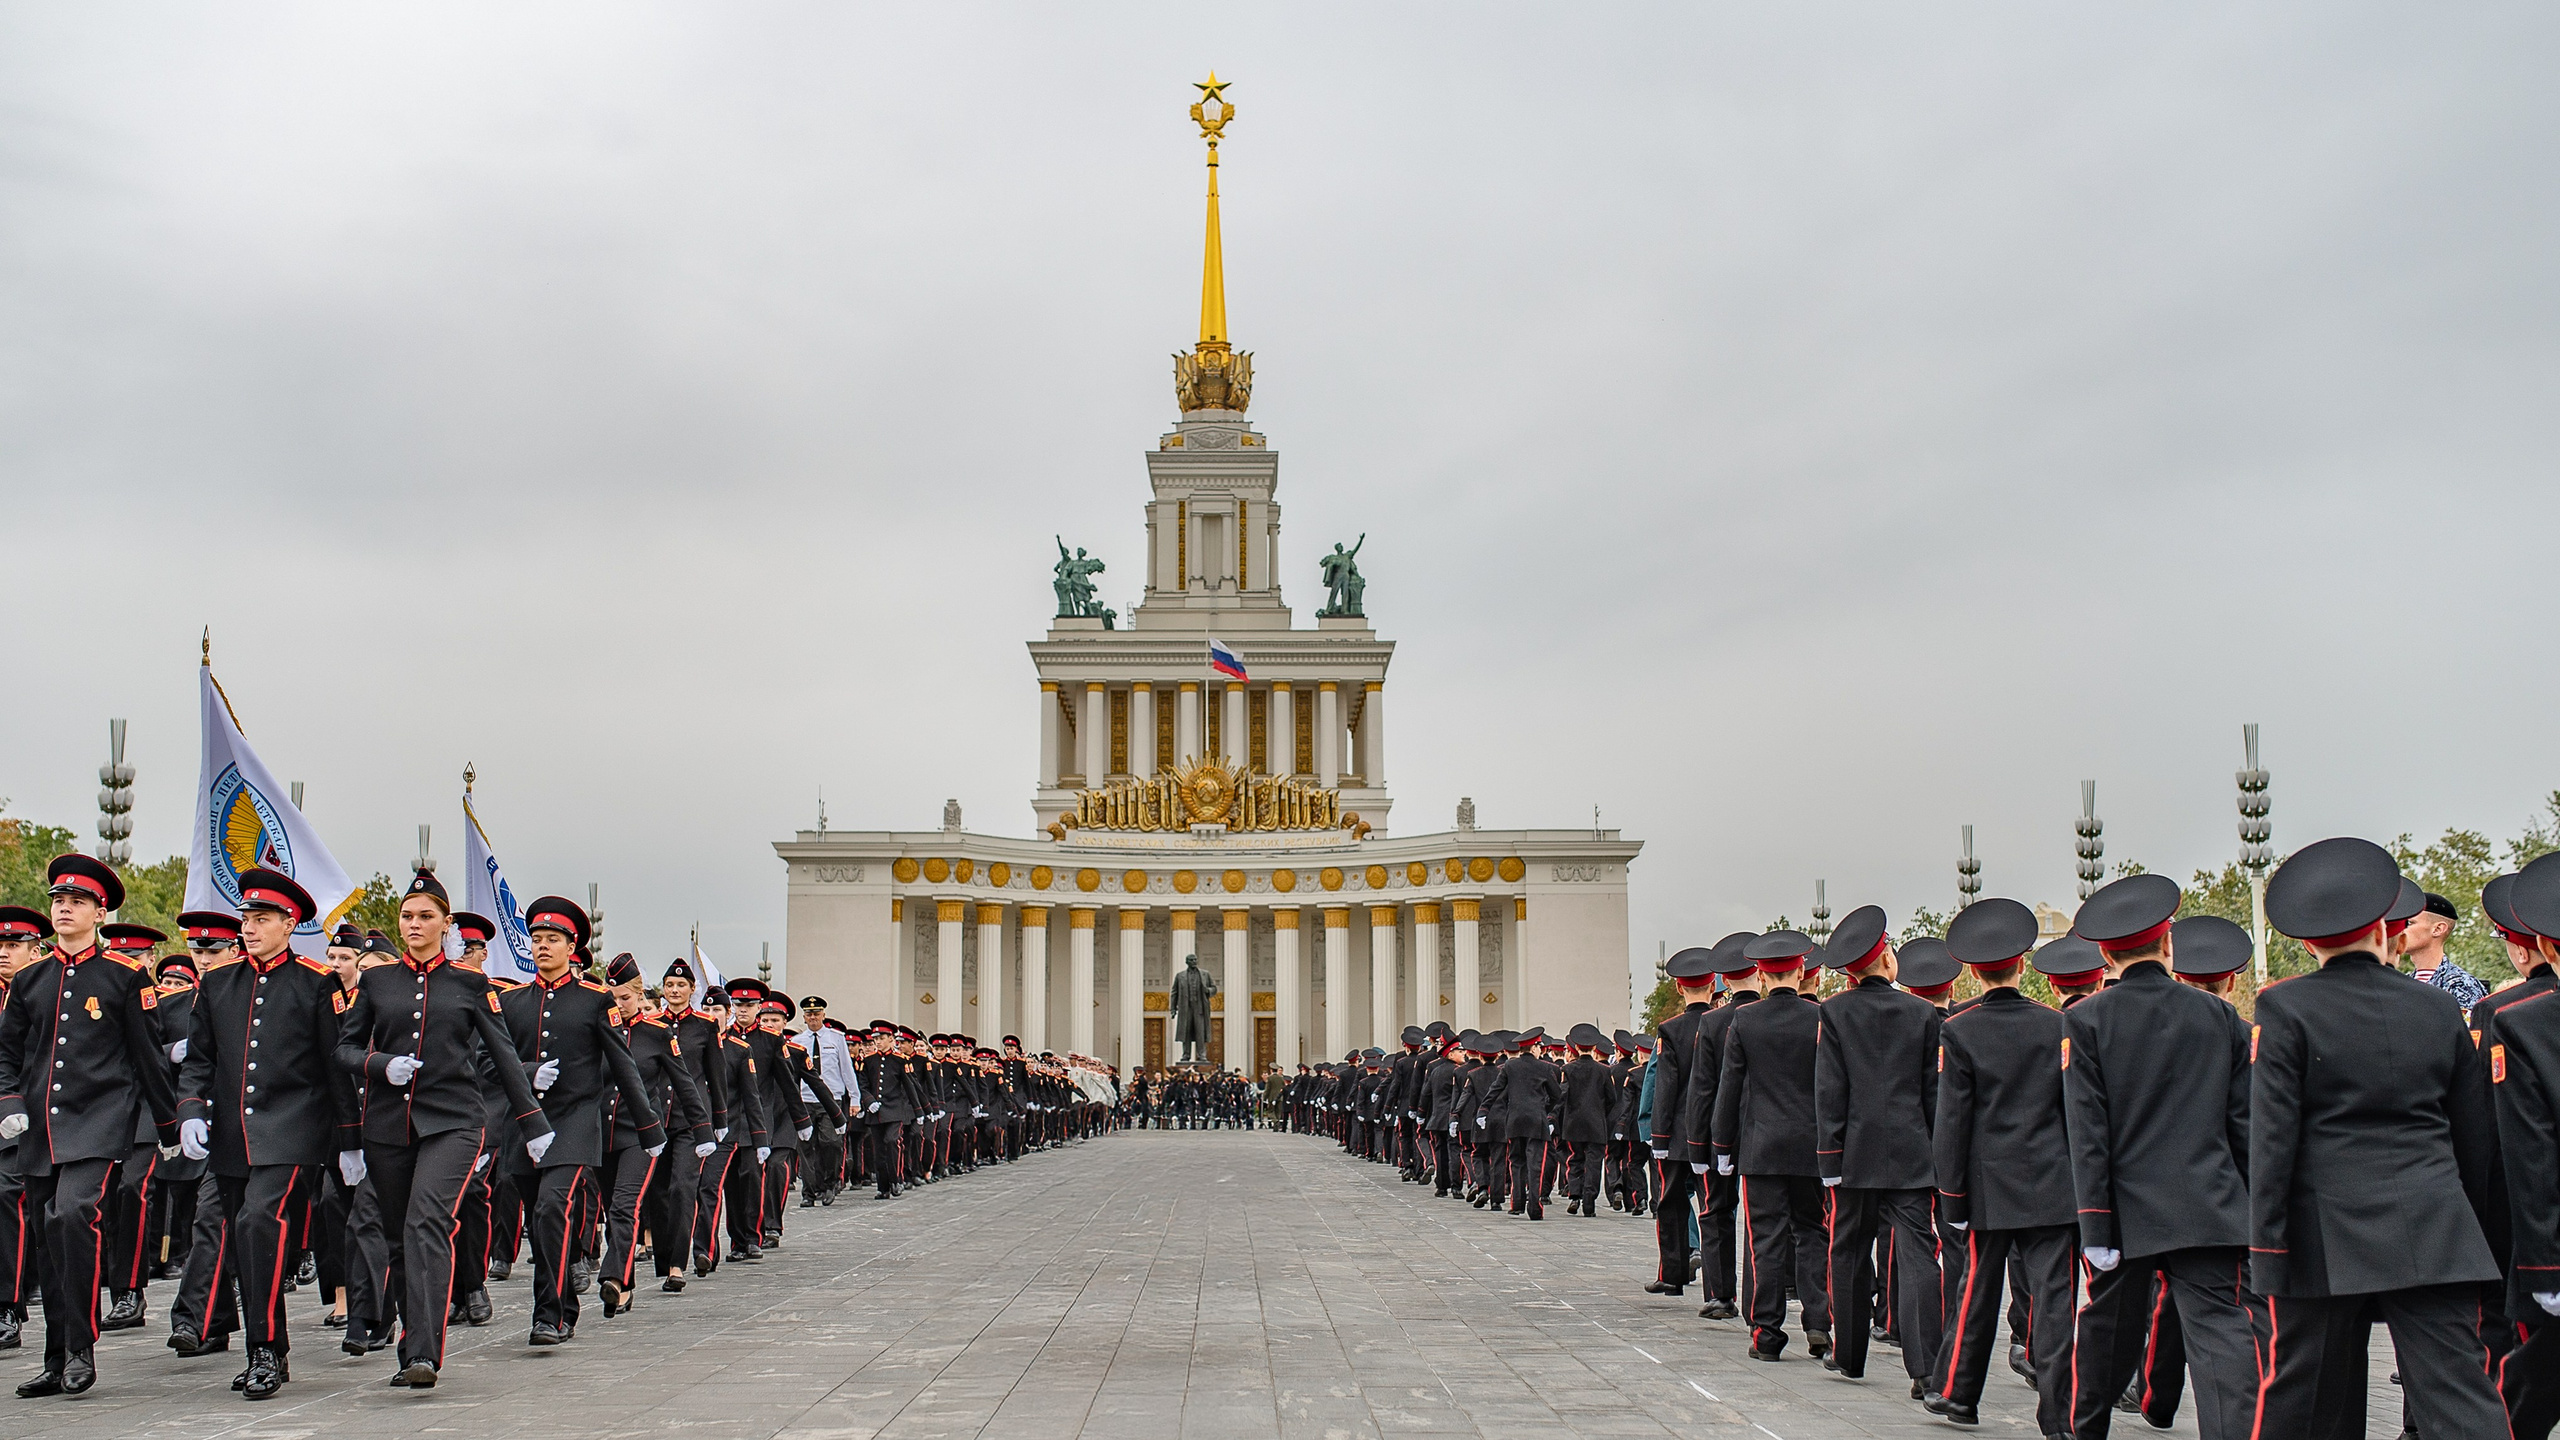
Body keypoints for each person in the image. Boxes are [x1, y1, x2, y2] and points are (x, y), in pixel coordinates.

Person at [334, 867, 551, 1389]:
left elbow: (501, 1053)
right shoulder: (377, 981)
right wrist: (379, 1064)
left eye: (425, 916)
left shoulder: (472, 984)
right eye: (407, 916)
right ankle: (411, 1345)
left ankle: (425, 1354)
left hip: (454, 1122)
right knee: (396, 1236)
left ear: (445, 923)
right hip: (389, 1125)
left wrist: (532, 1122)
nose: (414, 924)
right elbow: (343, 1048)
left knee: (425, 1222)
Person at [2060, 872, 2258, 1440]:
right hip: (2211, 1206)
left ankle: (2083, 1430)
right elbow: (2243, 1125)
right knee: (2223, 1343)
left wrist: (2094, 1224)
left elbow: (2088, 1130)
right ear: (2168, 943)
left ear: (2104, 953)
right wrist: (2247, 1210)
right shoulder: (2221, 1017)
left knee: (2106, 1339)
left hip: (2125, 1214)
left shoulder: (2086, 1019)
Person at [0, 854, 179, 1398]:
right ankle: (56, 1357)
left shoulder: (125, 976)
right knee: (49, 1230)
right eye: (58, 901)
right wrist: (9, 1099)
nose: (64, 909)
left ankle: (81, 1345)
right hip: (39, 1128)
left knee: (75, 1214)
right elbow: (7, 1051)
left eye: (77, 902)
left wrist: (169, 1126)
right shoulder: (30, 979)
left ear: (99, 913)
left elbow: (148, 1056)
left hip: (99, 1120)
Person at [173, 868, 349, 1401]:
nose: (249, 927)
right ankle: (263, 1349)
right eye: (246, 918)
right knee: (245, 1237)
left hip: (294, 1130)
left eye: (262, 918)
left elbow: (334, 1064)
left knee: (258, 1223)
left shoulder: (317, 984)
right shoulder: (218, 983)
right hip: (232, 1135)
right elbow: (199, 1060)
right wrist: (189, 1111)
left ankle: (267, 1349)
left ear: (289, 923)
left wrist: (351, 1140)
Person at [1925, 896, 2077, 1432]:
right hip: (2055, 1185)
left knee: (1975, 1295)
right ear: (2022, 962)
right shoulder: (2057, 1025)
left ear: (1973, 969)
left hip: (1988, 1187)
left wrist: (1953, 1197)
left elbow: (1953, 1125)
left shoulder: (1960, 1031)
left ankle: (1958, 1394)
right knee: (2055, 1304)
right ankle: (2061, 1416)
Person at [496, 898, 665, 1346]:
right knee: (542, 1217)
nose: (543, 947)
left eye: (553, 940)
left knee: (553, 1206)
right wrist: (528, 1073)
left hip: (573, 1121)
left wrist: (649, 1129)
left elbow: (623, 1064)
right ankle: (564, 1300)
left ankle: (548, 1315)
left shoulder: (595, 1001)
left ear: (573, 947)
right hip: (525, 1125)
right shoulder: (510, 1001)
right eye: (537, 939)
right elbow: (486, 1062)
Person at [1809, 905, 1941, 1388]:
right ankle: (1926, 1369)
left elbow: (1830, 1090)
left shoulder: (1835, 1012)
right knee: (1918, 1255)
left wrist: (1829, 1156)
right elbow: (1934, 1094)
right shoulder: (1924, 1012)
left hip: (1854, 1156)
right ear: (1886, 959)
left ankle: (1849, 1355)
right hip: (1912, 1153)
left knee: (1847, 1252)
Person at [1712, 930, 1829, 1363]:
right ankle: (1819, 1322)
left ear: (1760, 975)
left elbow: (1729, 1088)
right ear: (1801, 972)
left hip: (1761, 1146)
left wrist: (1723, 1145)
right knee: (1813, 1233)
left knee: (1766, 1240)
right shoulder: (1821, 1017)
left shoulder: (1745, 1020)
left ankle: (1766, 1331)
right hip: (1811, 1146)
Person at [599, 952, 710, 1318]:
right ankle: (625, 1283)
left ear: (638, 994)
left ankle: (615, 1275)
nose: (618, 1005)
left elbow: (687, 1084)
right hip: (601, 1133)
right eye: (611, 998)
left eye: (625, 998)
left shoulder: (657, 1034)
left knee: (627, 1204)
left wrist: (705, 1128)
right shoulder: (597, 1029)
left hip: (642, 1133)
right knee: (611, 1206)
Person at [1678, 935, 1763, 1320]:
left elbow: (1702, 1089)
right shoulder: (1771, 1015)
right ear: (1759, 975)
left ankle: (1720, 1294)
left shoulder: (1711, 1023)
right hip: (1765, 1132)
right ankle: (1770, 1295)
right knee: (1768, 1221)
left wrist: (1698, 1144)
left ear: (1724, 982)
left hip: (1718, 1134)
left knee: (1716, 1212)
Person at [1643, 946, 1721, 1296]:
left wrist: (1657, 1137)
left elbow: (1665, 1086)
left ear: (1679, 988)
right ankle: (1719, 1289)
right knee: (1715, 1208)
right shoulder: (1723, 1023)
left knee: (1670, 1205)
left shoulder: (1670, 1030)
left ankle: (1672, 1275)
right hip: (1715, 1132)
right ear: (1713, 988)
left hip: (1676, 1134)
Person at [0, 903, 53, 1356]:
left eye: (13, 945)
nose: (3, 953)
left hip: (24, 1114)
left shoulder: (42, 989)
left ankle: (8, 1303)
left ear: (34, 949)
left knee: (8, 1198)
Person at [1478, 1029, 1562, 1219]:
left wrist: (1484, 1109)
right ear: (1533, 1048)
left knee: (1516, 1162)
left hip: (1515, 1119)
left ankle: (1516, 1204)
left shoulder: (1510, 1066)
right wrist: (1545, 1108)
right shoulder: (1544, 1067)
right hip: (1536, 1120)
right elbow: (1557, 1095)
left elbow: (1496, 1089)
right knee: (1535, 1165)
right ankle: (1534, 1207)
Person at [1556, 1024, 1614, 1216]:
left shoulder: (1568, 1069)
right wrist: (1600, 1111)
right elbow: (1611, 1098)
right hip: (1596, 1123)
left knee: (1575, 1160)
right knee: (1594, 1162)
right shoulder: (1604, 1071)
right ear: (1594, 1048)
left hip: (1573, 1123)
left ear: (1577, 1048)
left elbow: (1562, 1095)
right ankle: (1589, 1202)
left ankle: (1574, 1195)